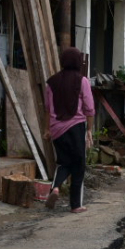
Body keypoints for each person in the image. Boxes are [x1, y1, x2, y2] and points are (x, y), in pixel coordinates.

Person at [43, 47, 95, 213]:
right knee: (79, 165)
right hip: (75, 127)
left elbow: (47, 108)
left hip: (57, 129)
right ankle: (76, 205)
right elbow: (90, 109)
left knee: (63, 162)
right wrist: (89, 131)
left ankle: (55, 188)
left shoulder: (51, 82)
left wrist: (47, 129)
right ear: (79, 62)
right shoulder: (82, 81)